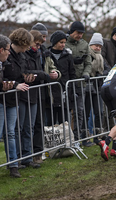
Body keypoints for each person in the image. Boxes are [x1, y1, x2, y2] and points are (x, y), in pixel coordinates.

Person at [15, 30, 52, 169]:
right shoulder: (23, 54)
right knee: (20, 128)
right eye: (37, 44)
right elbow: (24, 72)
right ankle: (18, 158)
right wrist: (42, 74)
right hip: (24, 94)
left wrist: (39, 75)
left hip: (34, 94)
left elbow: (34, 72)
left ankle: (28, 157)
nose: (38, 47)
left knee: (29, 127)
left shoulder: (38, 54)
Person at [0, 30, 31, 177]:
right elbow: (4, 79)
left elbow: (18, 75)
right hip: (2, 100)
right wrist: (14, 85)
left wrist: (25, 79)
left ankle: (13, 165)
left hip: (12, 100)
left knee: (10, 133)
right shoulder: (6, 59)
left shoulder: (20, 57)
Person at [31, 22, 61, 164]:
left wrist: (56, 73)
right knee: (28, 125)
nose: (44, 40)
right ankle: (27, 155)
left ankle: (38, 153)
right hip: (30, 91)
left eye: (45, 36)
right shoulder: (29, 51)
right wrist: (44, 75)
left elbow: (53, 67)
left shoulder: (44, 51)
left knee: (39, 123)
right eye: (42, 36)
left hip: (44, 91)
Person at [65, 21, 92, 141]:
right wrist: (71, 60)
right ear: (72, 31)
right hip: (67, 83)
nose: (80, 35)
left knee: (79, 112)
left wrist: (86, 73)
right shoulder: (63, 43)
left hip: (80, 83)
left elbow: (88, 62)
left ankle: (77, 139)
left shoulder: (84, 45)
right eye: (78, 33)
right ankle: (66, 138)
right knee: (66, 112)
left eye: (82, 33)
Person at [46, 30, 76, 125]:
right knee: (51, 121)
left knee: (64, 122)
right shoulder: (47, 55)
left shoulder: (68, 56)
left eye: (64, 42)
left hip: (64, 92)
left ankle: (65, 140)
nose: (63, 45)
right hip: (51, 94)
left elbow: (72, 73)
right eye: (61, 42)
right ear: (55, 42)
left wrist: (73, 91)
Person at [82, 33, 104, 147]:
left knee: (99, 112)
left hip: (97, 85)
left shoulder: (100, 56)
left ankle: (97, 137)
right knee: (86, 112)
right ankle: (84, 138)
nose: (98, 48)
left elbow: (101, 70)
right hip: (87, 85)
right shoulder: (88, 54)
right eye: (96, 45)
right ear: (91, 45)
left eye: (100, 46)